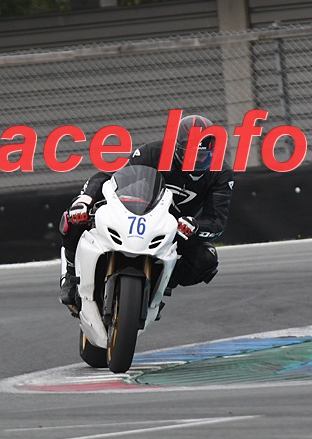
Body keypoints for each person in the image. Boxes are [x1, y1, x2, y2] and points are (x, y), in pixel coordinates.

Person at [59, 114, 234, 306]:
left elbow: (216, 222)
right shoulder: (153, 152)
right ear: (177, 148)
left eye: (204, 156)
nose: (198, 161)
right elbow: (111, 176)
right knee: (75, 216)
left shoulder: (221, 173)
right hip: (136, 214)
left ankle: (161, 284)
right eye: (193, 154)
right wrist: (85, 199)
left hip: (176, 228)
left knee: (206, 259)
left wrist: (195, 226)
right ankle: (71, 275)